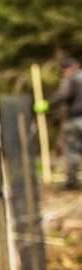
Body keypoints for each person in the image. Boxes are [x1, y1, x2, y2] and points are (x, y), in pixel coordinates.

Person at [51, 57, 82, 189]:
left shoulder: (70, 79)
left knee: (72, 150)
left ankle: (72, 182)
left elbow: (63, 95)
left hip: (75, 119)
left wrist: (48, 104)